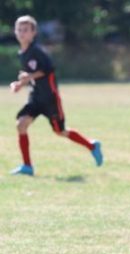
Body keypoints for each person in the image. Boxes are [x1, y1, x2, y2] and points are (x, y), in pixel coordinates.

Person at [9, 15, 103, 176]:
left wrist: (28, 77)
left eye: (25, 30)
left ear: (33, 33)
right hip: (36, 98)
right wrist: (20, 84)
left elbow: (47, 70)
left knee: (60, 131)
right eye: (19, 29)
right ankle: (27, 166)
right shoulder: (22, 53)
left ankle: (92, 145)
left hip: (50, 99)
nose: (22, 33)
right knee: (21, 125)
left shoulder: (37, 51)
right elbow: (31, 76)